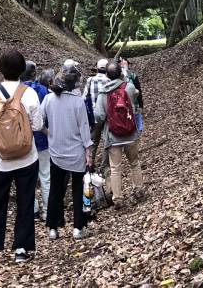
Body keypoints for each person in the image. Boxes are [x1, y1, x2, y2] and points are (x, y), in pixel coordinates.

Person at [0, 49, 43, 264]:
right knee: (25, 201)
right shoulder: (29, 93)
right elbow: (38, 125)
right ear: (22, 70)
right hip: (27, 157)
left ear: (0, 69)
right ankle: (21, 249)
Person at [41, 65, 94, 240]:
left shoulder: (48, 99)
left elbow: (38, 122)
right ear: (74, 84)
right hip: (77, 153)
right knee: (78, 189)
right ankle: (78, 228)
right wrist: (89, 151)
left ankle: (53, 228)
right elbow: (84, 129)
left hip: (56, 153)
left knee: (56, 190)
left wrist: (50, 134)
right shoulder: (78, 102)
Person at [92, 61, 144, 204]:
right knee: (134, 163)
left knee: (115, 167)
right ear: (120, 73)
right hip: (131, 132)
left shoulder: (103, 92)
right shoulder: (129, 87)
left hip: (113, 135)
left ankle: (118, 198)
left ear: (107, 75)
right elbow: (136, 95)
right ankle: (138, 190)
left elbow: (99, 116)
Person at [21, 61, 51, 222]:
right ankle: (47, 210)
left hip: (23, 140)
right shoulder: (42, 90)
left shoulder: (17, 92)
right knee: (45, 175)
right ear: (34, 74)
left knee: (27, 177)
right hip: (42, 138)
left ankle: (32, 210)